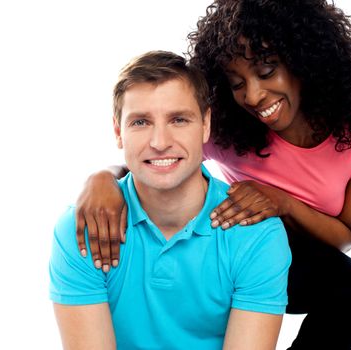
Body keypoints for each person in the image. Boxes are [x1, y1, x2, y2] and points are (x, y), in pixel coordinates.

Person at [75, 1, 351, 349]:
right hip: (223, 250)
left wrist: (282, 202)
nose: (253, 96)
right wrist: (101, 180)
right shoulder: (228, 132)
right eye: (236, 83)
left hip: (294, 258)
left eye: (266, 71)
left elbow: (347, 234)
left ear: (305, 59)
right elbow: (155, 156)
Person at [50, 51, 292, 349]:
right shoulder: (84, 229)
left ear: (205, 125)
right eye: (141, 122)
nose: (160, 142)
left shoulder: (257, 235)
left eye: (178, 119)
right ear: (118, 132)